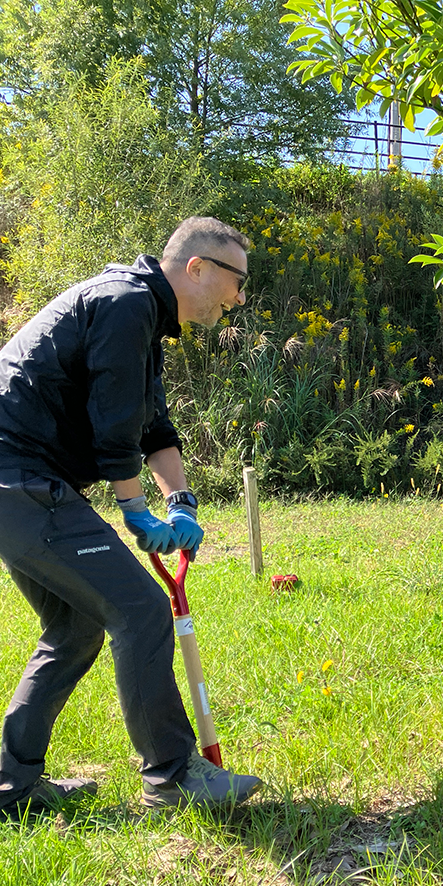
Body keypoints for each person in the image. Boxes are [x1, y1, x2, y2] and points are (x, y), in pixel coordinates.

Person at [0, 216, 263, 818]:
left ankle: (11, 789)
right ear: (196, 268)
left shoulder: (142, 317)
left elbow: (153, 427)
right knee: (140, 610)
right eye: (236, 280)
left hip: (24, 486)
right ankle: (171, 777)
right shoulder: (125, 305)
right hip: (19, 480)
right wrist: (134, 510)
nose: (240, 297)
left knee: (74, 629)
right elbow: (113, 425)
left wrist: (182, 502)